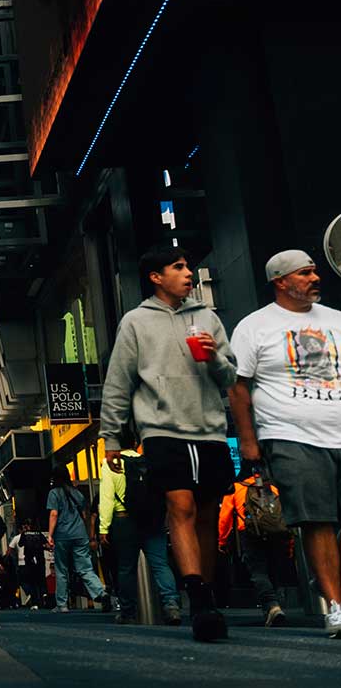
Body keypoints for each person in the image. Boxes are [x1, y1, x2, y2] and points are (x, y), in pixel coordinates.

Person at [101, 244, 237, 642]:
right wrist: (111, 436)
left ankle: (207, 594)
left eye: (188, 267)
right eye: (177, 267)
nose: (187, 273)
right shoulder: (136, 322)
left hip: (209, 428)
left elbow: (230, 378)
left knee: (209, 513)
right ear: (156, 277)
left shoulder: (207, 317)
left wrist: (214, 359)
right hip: (160, 430)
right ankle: (197, 596)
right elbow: (119, 380)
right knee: (181, 505)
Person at [229, 249, 341, 639]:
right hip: (291, 433)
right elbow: (238, 386)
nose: (315, 278)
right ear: (281, 281)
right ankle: (336, 606)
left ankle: (325, 579)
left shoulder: (336, 321)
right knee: (317, 519)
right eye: (305, 273)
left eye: (315, 271)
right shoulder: (254, 326)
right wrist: (248, 440)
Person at [99, 448, 181, 625]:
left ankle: (128, 612)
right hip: (152, 518)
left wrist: (103, 528)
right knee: (160, 564)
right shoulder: (148, 460)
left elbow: (106, 497)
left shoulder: (112, 463)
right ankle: (171, 604)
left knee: (126, 567)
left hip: (124, 519)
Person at [218, 466, 291, 628]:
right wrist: (290, 544)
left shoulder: (237, 488)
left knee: (258, 571)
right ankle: (277, 603)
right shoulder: (273, 488)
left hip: (249, 533)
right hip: (275, 534)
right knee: (273, 568)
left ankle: (272, 606)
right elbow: (284, 516)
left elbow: (225, 518)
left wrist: (222, 542)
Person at [47, 466, 108, 613]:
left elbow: (54, 514)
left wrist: (50, 535)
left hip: (62, 535)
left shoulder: (54, 493)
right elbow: (84, 515)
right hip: (79, 534)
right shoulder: (77, 493)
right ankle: (100, 592)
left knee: (62, 570)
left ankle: (62, 604)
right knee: (85, 568)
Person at [8, 516, 49, 610]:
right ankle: (44, 597)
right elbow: (46, 545)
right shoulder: (39, 533)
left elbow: (20, 544)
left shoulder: (24, 534)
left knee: (31, 581)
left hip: (29, 560)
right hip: (40, 559)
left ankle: (35, 601)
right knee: (41, 579)